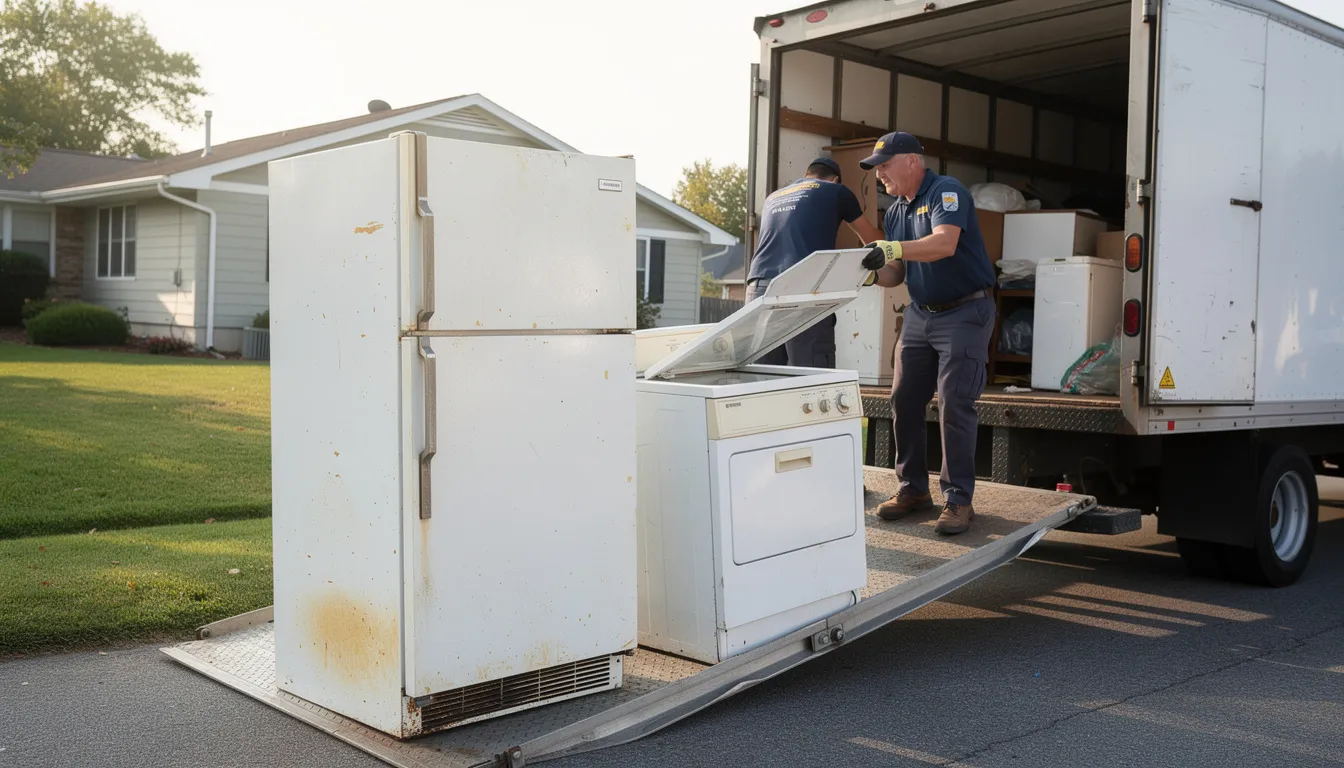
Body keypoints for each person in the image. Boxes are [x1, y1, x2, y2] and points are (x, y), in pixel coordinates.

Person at [857, 132, 997, 536]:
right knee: (903, 398)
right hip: (921, 314)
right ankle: (913, 489)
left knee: (954, 403)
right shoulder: (897, 210)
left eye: (884, 165)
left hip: (966, 309)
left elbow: (944, 243)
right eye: (876, 168)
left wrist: (893, 248)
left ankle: (958, 500)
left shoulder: (946, 192)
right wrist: (869, 270)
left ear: (912, 162)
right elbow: (896, 273)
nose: (880, 174)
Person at [747, 157, 884, 367]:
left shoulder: (773, 197)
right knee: (811, 377)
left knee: (764, 376)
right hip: (802, 287)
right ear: (835, 179)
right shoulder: (836, 191)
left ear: (806, 175)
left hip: (757, 290)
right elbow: (873, 240)